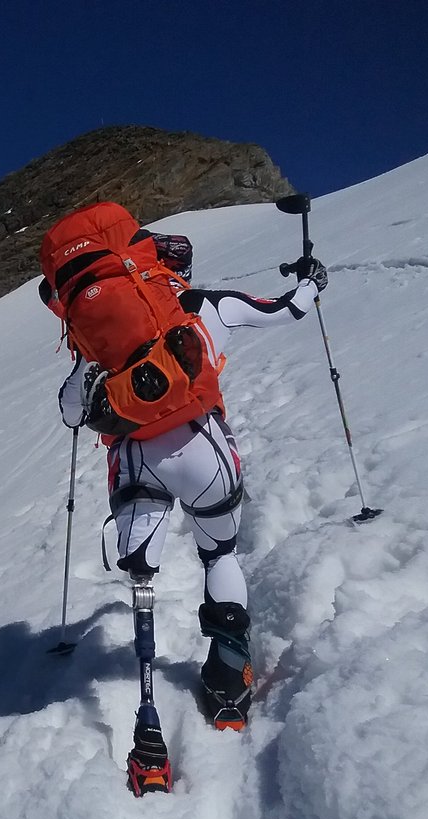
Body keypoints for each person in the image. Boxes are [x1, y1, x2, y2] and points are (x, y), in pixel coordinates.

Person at [39, 207, 328, 749]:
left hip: (133, 459)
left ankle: (147, 710)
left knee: (142, 577)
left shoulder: (94, 339)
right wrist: (311, 281)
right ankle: (229, 677)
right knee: (218, 555)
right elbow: (289, 310)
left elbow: (73, 412)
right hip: (201, 444)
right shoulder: (207, 306)